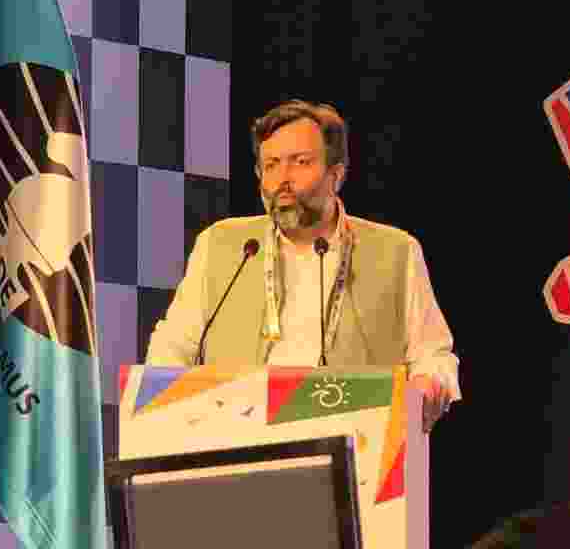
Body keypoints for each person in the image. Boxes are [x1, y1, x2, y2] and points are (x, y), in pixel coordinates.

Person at [145, 100, 461, 431]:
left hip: (353, 440)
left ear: (336, 175)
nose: (283, 179)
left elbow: (435, 356)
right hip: (236, 437)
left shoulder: (397, 252)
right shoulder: (222, 246)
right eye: (271, 165)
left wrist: (429, 382)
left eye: (300, 162)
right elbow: (173, 345)